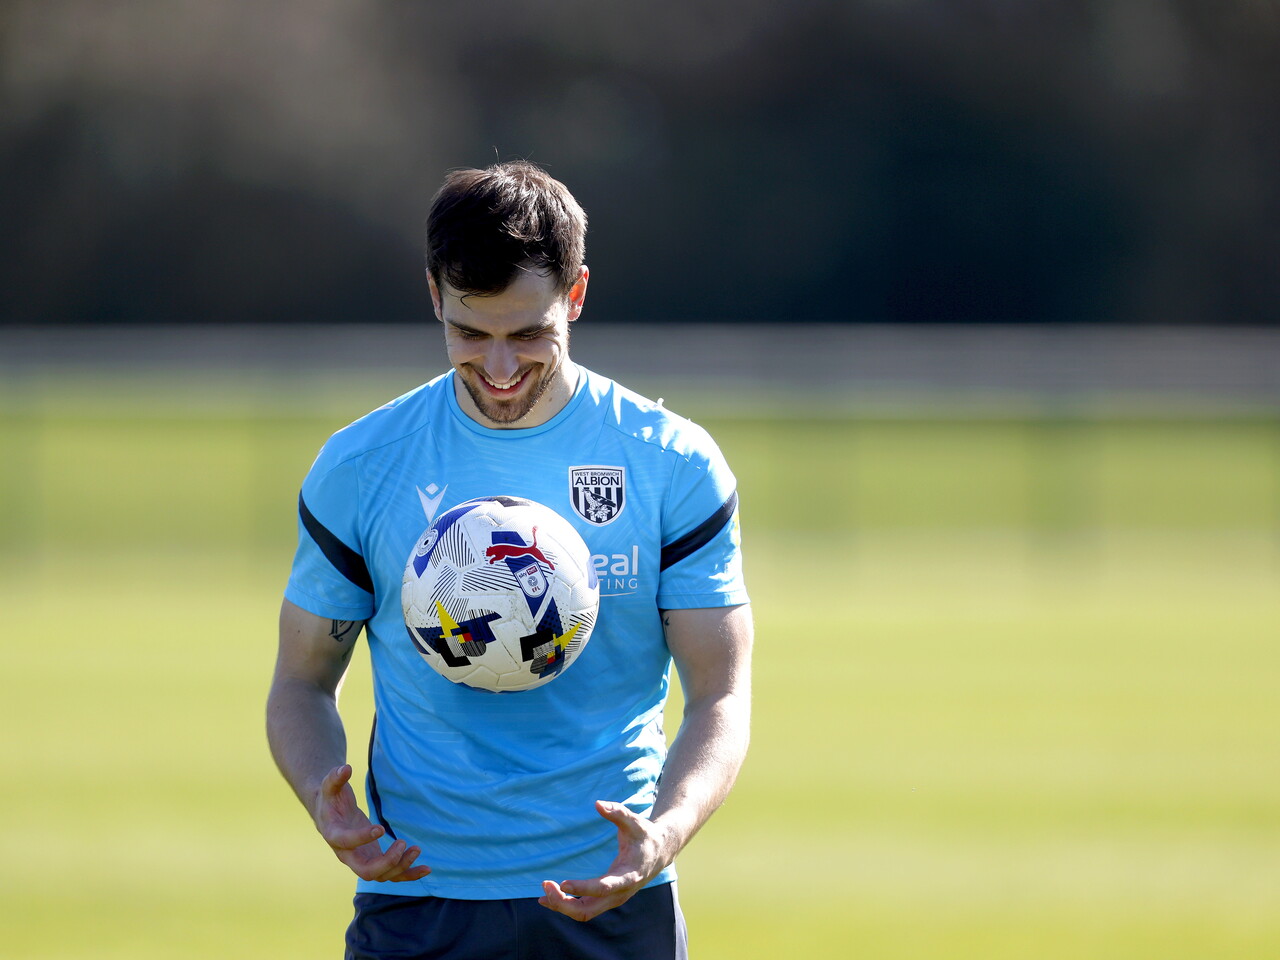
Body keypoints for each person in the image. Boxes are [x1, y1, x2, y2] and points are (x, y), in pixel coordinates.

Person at [266, 160, 753, 960]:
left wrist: (662, 836)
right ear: (434, 297)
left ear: (578, 296)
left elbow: (721, 693)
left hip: (614, 903)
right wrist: (328, 803)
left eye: (529, 335)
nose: (498, 370)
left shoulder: (672, 464)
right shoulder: (362, 466)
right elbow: (301, 681)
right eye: (470, 333)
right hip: (415, 900)